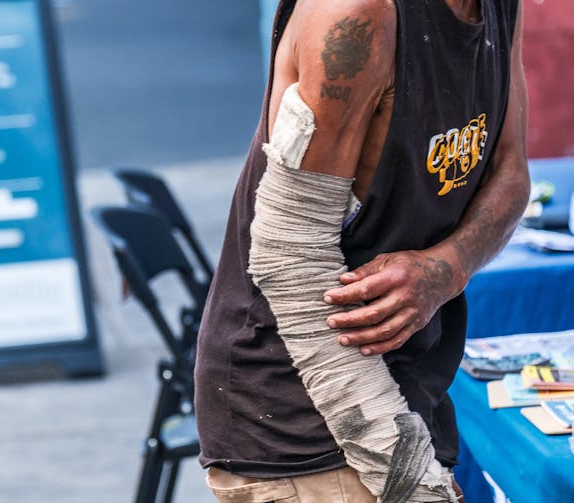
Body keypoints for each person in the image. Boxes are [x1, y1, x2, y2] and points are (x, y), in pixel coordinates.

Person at [194, 0, 529, 501]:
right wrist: (407, 473)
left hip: (410, 389)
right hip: (297, 411)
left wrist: (449, 267)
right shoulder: (357, 14)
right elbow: (290, 259)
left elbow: (511, 173)